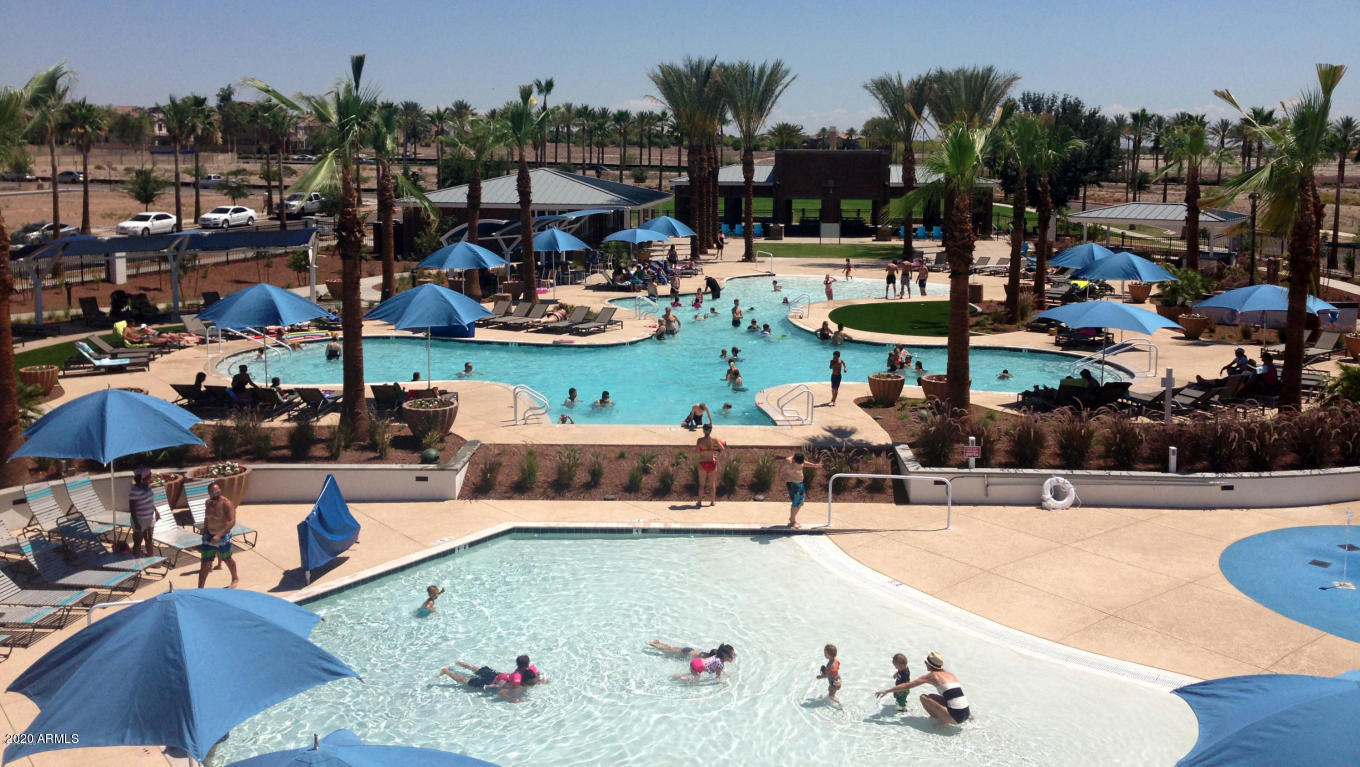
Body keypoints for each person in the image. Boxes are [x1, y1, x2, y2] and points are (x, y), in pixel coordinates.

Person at [876, 651, 970, 725]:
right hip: (966, 712)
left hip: (956, 717)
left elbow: (907, 685)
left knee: (923, 698)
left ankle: (938, 723)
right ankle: (966, 716)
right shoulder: (950, 674)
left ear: (929, 664)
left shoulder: (933, 676)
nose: (925, 663)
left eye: (926, 662)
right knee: (931, 696)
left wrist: (887, 691)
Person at [197, 482, 240, 589]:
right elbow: (207, 519)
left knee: (227, 559)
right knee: (205, 563)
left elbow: (232, 521)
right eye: (214, 492)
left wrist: (218, 535)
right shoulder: (208, 503)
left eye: (218, 491)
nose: (217, 493)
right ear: (209, 493)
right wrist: (204, 532)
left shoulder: (226, 503)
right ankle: (200, 589)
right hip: (209, 536)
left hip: (222, 537)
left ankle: (235, 578)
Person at [783, 452, 822, 529]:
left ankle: (792, 518)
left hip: (800, 484)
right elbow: (782, 468)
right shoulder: (789, 462)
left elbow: (804, 463)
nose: (801, 464)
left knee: (800, 502)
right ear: (794, 460)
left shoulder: (799, 460)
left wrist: (814, 465)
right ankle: (792, 521)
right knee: (796, 503)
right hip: (793, 485)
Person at [127, 467, 158, 558]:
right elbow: (132, 509)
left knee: (149, 540)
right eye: (150, 474)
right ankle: (136, 560)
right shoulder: (135, 491)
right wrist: (136, 523)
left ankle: (151, 558)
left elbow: (150, 500)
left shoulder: (148, 486)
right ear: (145, 477)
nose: (151, 476)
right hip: (139, 520)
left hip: (149, 519)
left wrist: (155, 510)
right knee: (138, 542)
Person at [695, 423, 724, 507]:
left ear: (703, 430)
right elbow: (722, 449)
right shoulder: (714, 440)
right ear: (710, 430)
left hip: (703, 463)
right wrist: (716, 456)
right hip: (712, 463)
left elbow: (697, 452)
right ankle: (712, 502)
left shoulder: (699, 440)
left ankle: (699, 502)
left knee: (701, 485)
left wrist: (702, 452)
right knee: (712, 484)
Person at [648, 641, 737, 662]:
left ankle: (659, 642)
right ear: (725, 656)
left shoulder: (717, 655)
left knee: (670, 649)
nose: (734, 657)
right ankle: (652, 644)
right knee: (667, 651)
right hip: (686, 652)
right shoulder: (715, 658)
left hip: (689, 651)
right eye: (732, 655)